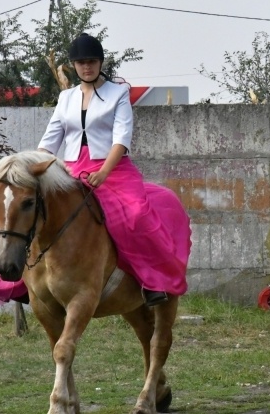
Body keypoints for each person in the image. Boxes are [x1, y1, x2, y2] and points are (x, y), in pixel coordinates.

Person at [35, 32, 191, 306]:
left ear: (100, 62)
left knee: (137, 214)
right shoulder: (65, 98)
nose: (87, 67)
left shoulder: (118, 93)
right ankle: (28, 282)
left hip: (113, 169)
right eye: (81, 62)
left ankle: (153, 282)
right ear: (73, 66)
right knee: (32, 211)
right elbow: (49, 143)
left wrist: (104, 172)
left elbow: (121, 138)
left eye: (92, 61)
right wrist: (33, 170)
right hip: (71, 170)